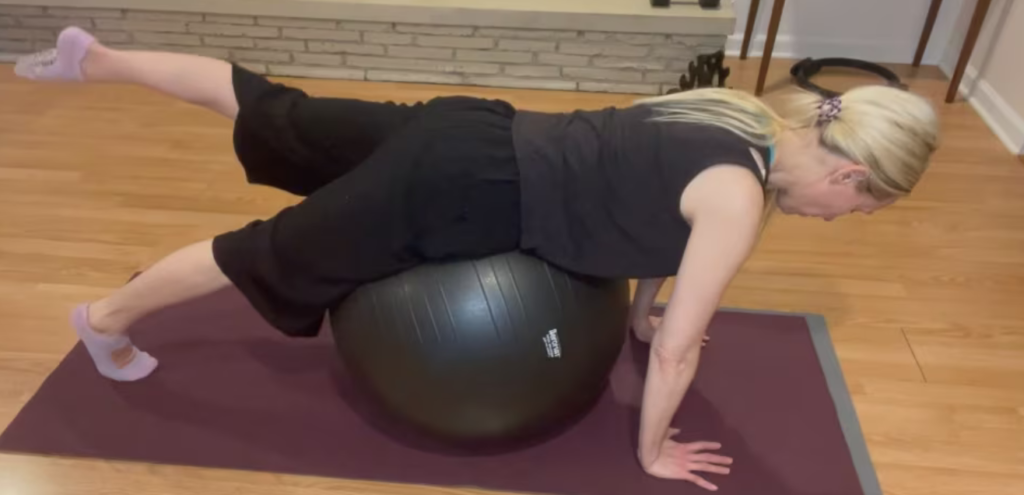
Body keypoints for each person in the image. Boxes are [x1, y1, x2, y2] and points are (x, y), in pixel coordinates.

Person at [15, 26, 938, 491]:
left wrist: (647, 308)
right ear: (849, 173)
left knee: (278, 110)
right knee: (270, 254)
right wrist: (651, 451)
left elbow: (660, 216)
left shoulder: (740, 120)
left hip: (475, 128)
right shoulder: (741, 198)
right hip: (462, 193)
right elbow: (683, 346)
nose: (841, 219)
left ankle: (95, 57)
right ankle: (102, 321)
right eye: (860, 205)